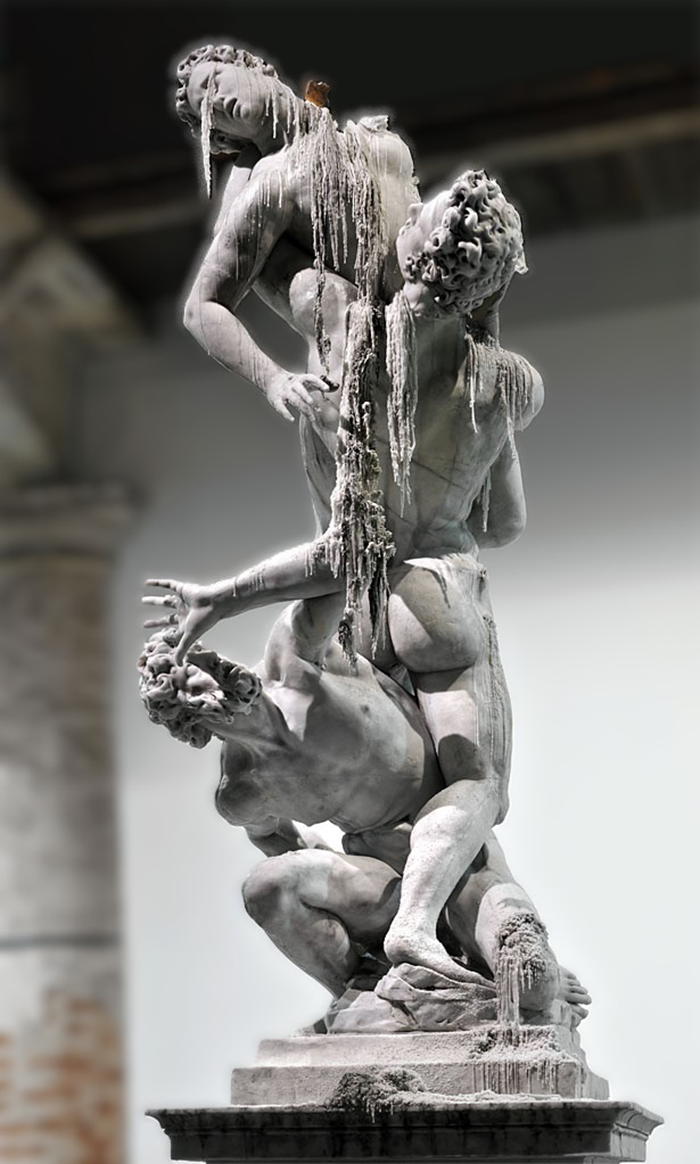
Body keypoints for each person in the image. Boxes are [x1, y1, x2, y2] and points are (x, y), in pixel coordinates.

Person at [138, 594, 589, 1023]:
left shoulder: (294, 656)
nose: (209, 680)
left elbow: (334, 571)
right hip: (384, 882)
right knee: (267, 887)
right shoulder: (242, 790)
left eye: (200, 664)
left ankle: (520, 969)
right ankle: (365, 994)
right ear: (192, 724)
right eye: (189, 694)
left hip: (464, 864)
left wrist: (222, 599)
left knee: (531, 982)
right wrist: (327, 870)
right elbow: (279, 841)